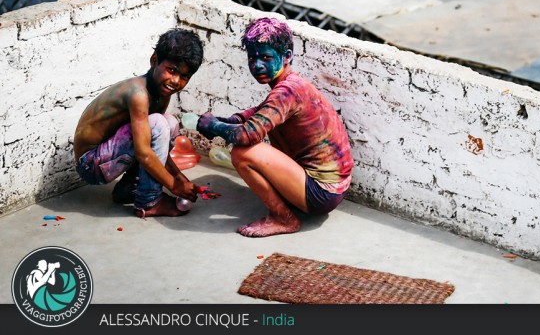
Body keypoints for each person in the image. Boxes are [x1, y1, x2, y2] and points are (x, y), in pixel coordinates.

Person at [197, 17, 353, 237]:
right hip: (328, 188)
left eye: (266, 57)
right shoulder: (289, 85)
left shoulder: (286, 92)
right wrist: (221, 122)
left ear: (287, 56)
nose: (257, 65)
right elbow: (253, 115)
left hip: (321, 192)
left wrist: (214, 126)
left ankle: (283, 218)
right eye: (252, 58)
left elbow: (247, 134)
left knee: (243, 153)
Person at [73, 28, 203, 217]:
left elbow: (157, 147)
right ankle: (149, 201)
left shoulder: (161, 92)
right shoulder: (138, 94)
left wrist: (180, 178)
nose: (175, 81)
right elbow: (144, 153)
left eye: (184, 76)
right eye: (172, 70)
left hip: (111, 155)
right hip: (90, 164)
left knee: (169, 123)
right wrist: (174, 186)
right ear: (154, 60)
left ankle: (129, 188)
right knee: (158, 124)